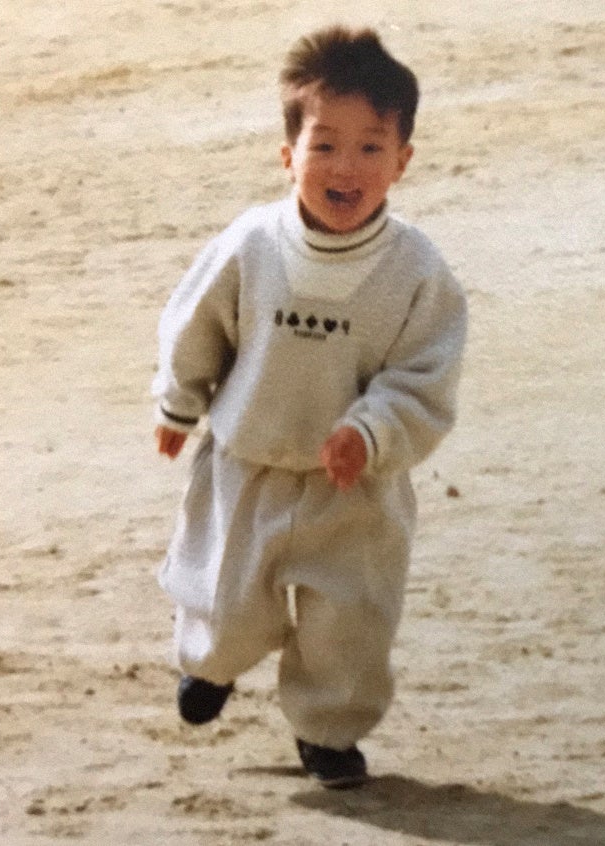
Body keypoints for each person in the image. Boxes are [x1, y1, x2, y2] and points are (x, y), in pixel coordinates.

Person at [151, 26, 467, 789]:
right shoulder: (251, 245)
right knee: (226, 600)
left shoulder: (417, 272)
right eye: (324, 146)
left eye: (370, 148)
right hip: (250, 463)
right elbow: (196, 326)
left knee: (349, 619)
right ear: (288, 155)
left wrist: (370, 431)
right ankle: (212, 665)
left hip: (355, 487)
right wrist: (177, 404)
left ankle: (328, 731)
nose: (345, 167)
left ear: (402, 160)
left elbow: (424, 376)